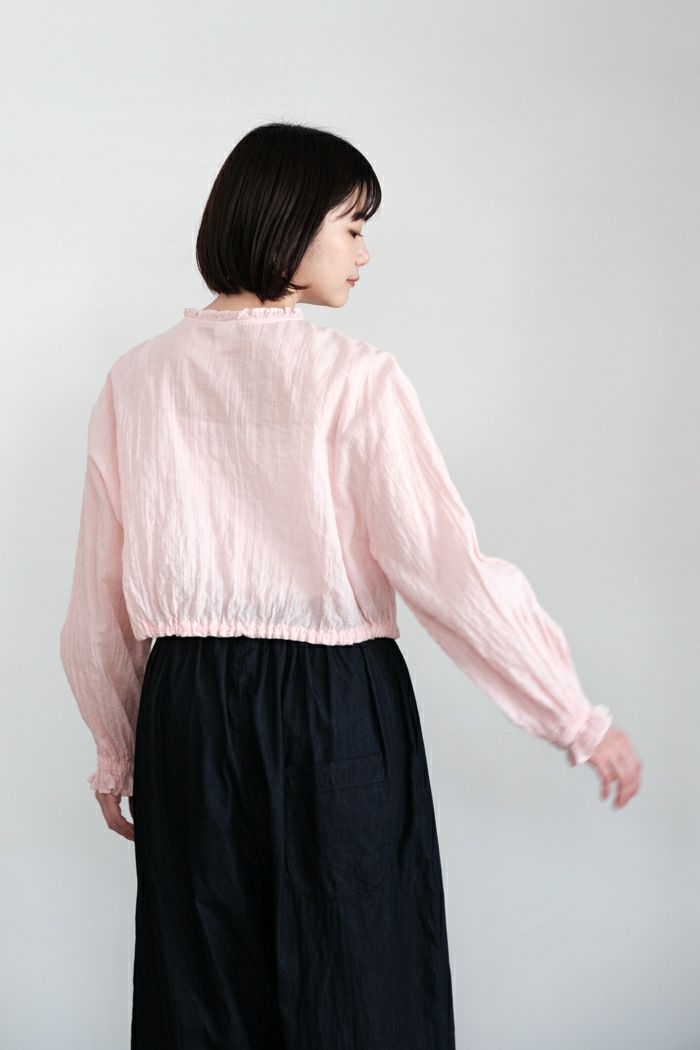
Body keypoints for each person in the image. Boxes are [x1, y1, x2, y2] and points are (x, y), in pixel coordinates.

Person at [59, 121, 642, 1050]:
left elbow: (100, 601)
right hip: (333, 708)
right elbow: (445, 568)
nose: (365, 253)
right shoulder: (355, 379)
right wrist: (574, 717)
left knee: (204, 989)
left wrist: (118, 751)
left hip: (187, 714)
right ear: (289, 225)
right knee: (358, 976)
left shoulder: (136, 380)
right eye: (354, 227)